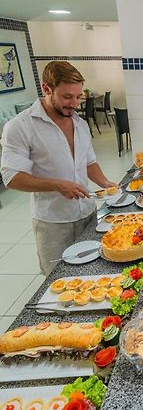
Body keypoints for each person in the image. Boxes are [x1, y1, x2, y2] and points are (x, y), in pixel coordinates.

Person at [0, 61, 116, 276]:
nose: (74, 103)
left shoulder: (80, 124)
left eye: (78, 96)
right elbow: (11, 177)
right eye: (66, 97)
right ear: (47, 89)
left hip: (88, 214)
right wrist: (56, 185)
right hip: (53, 222)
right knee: (58, 279)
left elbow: (88, 162)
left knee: (93, 273)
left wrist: (105, 183)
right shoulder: (20, 126)